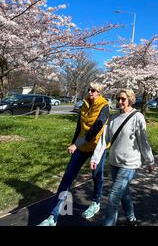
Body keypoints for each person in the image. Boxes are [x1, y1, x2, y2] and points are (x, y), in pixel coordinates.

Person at [38, 82, 110, 226]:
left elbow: (96, 128)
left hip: (97, 146)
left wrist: (76, 144)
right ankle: (53, 217)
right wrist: (74, 144)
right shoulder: (84, 104)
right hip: (81, 146)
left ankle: (95, 202)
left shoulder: (105, 106)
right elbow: (79, 127)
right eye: (89, 89)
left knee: (96, 175)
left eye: (93, 90)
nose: (90, 92)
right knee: (67, 177)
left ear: (99, 93)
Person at [90, 89, 155, 226]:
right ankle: (131, 219)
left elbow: (143, 141)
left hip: (129, 163)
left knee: (113, 196)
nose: (120, 102)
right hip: (114, 162)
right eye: (118, 98)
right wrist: (95, 158)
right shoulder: (113, 118)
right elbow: (103, 140)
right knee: (123, 193)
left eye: (123, 99)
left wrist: (150, 161)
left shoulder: (137, 117)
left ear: (130, 100)